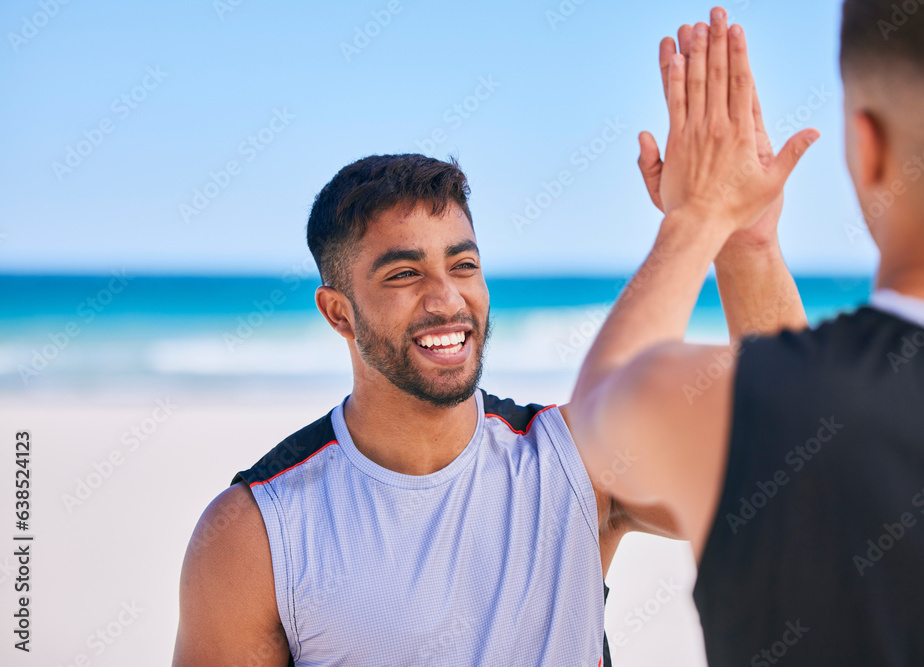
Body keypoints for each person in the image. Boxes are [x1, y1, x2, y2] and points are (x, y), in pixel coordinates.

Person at [170, 13, 803, 663]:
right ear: (338, 312)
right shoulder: (255, 530)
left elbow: (805, 469)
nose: (447, 299)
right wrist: (695, 220)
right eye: (405, 273)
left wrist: (747, 245)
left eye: (464, 265)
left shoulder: (574, 463)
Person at [570, 2, 924, 665]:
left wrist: (703, 216)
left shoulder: (774, 410)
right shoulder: (786, 412)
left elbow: (600, 419)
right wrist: (749, 247)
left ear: (868, 148)